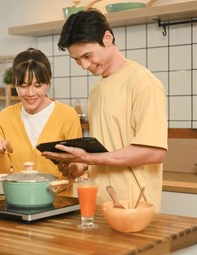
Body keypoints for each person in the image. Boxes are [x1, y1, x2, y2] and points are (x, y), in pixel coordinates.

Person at [41, 10, 168, 212]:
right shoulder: (97, 91)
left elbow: (155, 152)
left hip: (134, 208)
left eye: (87, 55)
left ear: (107, 38)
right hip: (98, 206)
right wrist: (78, 165)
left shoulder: (144, 83)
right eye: (76, 59)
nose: (83, 66)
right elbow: (107, 149)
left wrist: (89, 158)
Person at [0, 48, 82, 191]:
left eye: (38, 85)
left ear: (48, 82)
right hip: (20, 201)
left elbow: (74, 170)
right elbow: (1, 173)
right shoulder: (6, 116)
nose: (30, 93)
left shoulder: (67, 115)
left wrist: (47, 191)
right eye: (23, 86)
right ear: (15, 84)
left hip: (58, 204)